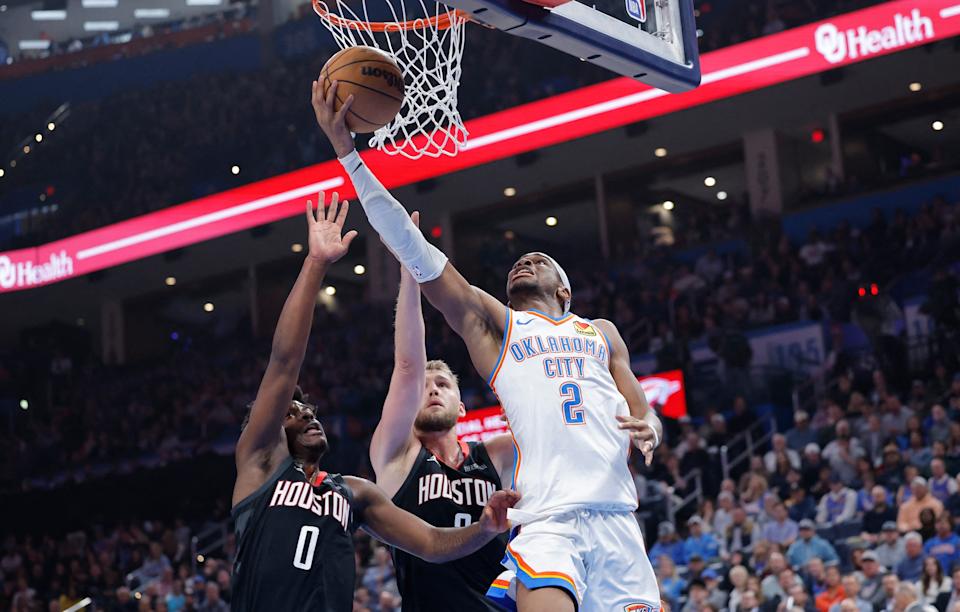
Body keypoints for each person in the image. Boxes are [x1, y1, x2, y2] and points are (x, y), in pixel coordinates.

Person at [314, 82, 662, 612]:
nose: (525, 262)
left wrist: (650, 425)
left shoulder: (601, 332)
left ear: (564, 290)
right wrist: (348, 154)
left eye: (542, 260)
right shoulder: (498, 329)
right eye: (520, 262)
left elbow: (641, 408)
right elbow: (416, 251)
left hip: (617, 519)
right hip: (548, 524)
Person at [230, 195, 518, 611]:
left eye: (308, 408)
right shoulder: (259, 465)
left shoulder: (354, 493)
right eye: (293, 413)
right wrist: (316, 263)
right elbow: (284, 361)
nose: (307, 413)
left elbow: (433, 543)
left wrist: (484, 529)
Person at [369, 248, 515, 611]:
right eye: (424, 387)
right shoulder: (397, 456)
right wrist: (409, 273)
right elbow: (407, 366)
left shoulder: (495, 454)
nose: (432, 389)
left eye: (443, 385)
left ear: (462, 407)